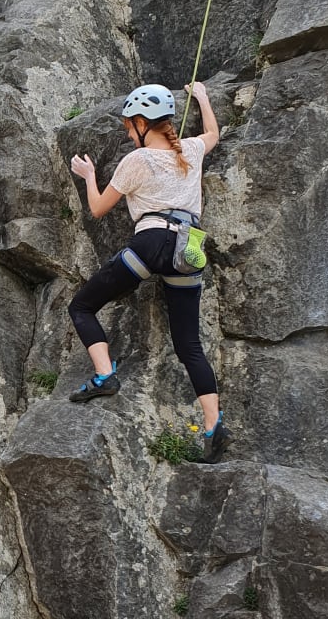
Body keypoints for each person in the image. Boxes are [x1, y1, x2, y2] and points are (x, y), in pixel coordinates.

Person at [67, 81, 230, 464]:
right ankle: (213, 426)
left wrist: (88, 175)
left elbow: (98, 209)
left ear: (142, 122)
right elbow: (212, 135)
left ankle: (105, 376)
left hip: (151, 242)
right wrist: (204, 97)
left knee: (82, 307)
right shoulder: (190, 149)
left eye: (128, 125)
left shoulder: (136, 161)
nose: (127, 131)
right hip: (188, 249)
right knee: (189, 345)